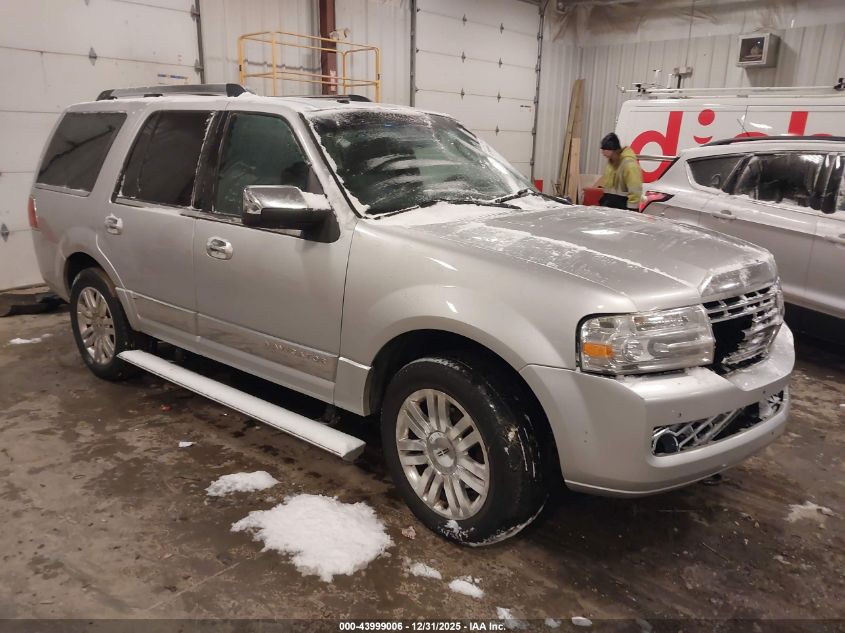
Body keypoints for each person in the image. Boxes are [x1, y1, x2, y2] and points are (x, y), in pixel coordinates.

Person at [595, 132, 643, 211]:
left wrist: (632, 211)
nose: (602, 152)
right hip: (611, 206)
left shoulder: (629, 164)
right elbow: (609, 188)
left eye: (604, 149)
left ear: (612, 149)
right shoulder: (611, 163)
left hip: (623, 208)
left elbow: (635, 189)